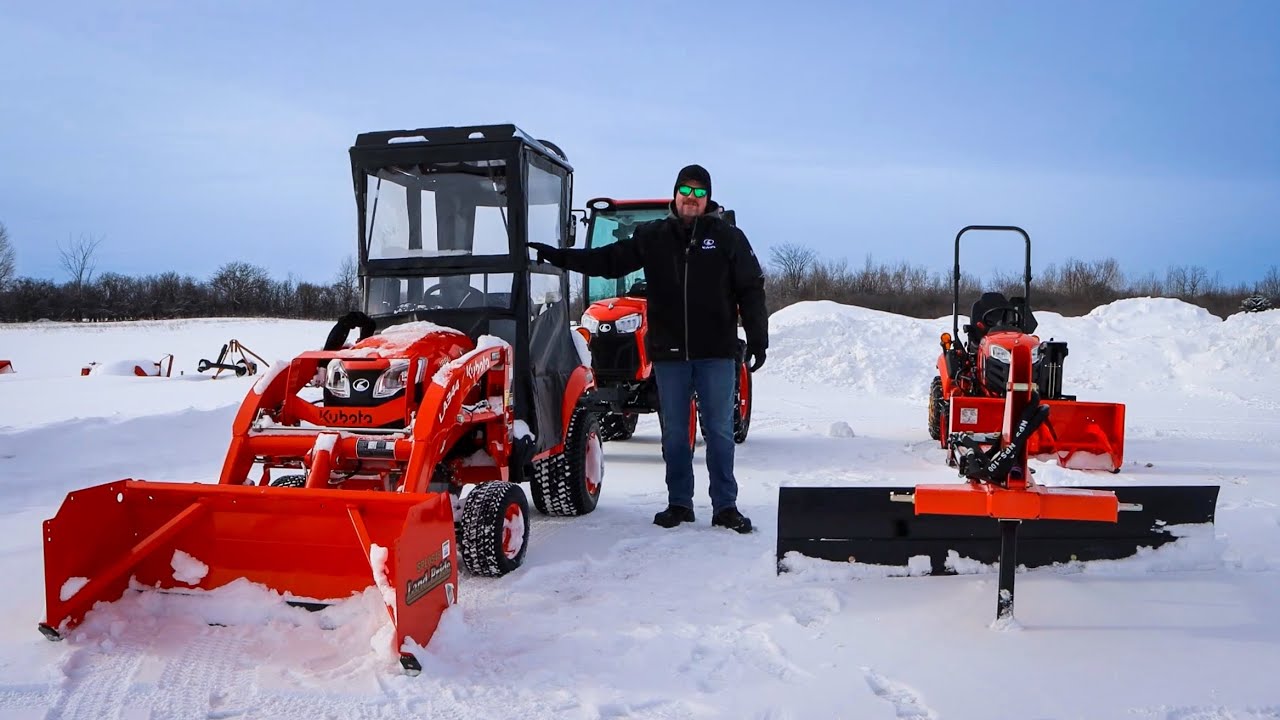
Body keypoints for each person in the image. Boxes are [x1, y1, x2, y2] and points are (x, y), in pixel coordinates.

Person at [529, 164, 768, 534]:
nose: (691, 201)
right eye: (685, 193)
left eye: (698, 194)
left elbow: (751, 288)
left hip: (715, 353)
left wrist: (757, 337)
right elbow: (607, 261)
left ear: (708, 199)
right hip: (670, 353)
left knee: (719, 430)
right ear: (675, 195)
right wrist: (559, 256)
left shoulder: (728, 238)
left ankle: (725, 506)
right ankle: (679, 503)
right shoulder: (654, 237)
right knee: (674, 431)